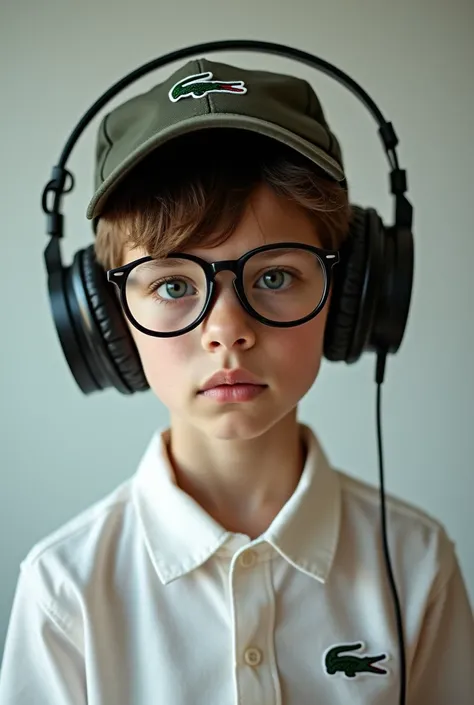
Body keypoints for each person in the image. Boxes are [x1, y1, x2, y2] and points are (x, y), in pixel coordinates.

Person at [1, 57, 473, 705]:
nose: (227, 330)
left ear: (354, 293)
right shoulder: (63, 589)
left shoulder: (418, 566)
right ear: (108, 320)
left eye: (275, 276)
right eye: (172, 284)